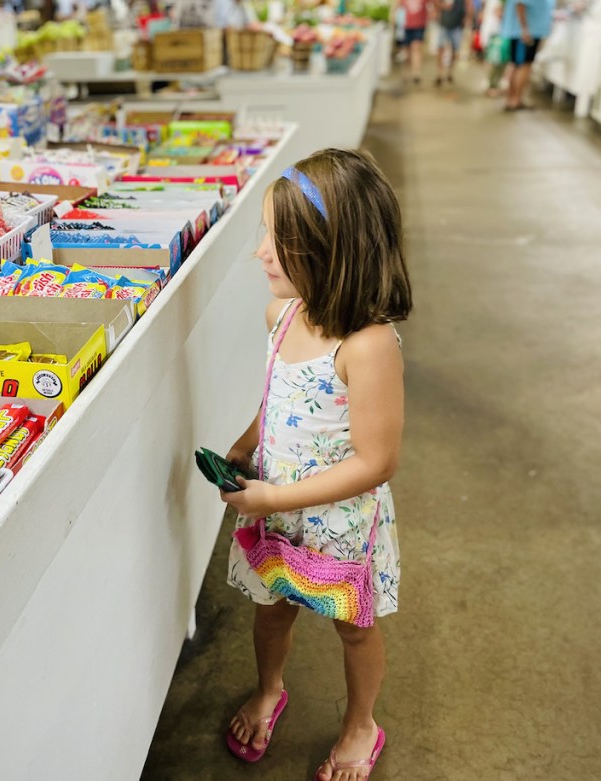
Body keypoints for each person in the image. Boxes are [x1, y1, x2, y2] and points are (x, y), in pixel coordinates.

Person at [220, 149, 412, 780]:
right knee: (272, 607)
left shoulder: (369, 344)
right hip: (278, 513)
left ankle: (362, 723)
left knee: (353, 630)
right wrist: (247, 444)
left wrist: (272, 499)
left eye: (278, 241)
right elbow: (277, 398)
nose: (260, 254)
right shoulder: (283, 315)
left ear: (333, 251)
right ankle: (271, 687)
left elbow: (377, 460)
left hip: (339, 524)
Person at [502, 0, 554, 110]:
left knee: (517, 64)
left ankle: (512, 98)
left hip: (525, 31)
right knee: (524, 65)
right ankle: (515, 100)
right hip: (526, 33)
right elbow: (520, 4)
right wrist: (524, 28)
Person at [435, 0, 473, 86]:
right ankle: (440, 74)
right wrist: (442, 6)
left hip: (457, 25)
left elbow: (469, 5)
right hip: (444, 23)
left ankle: (449, 73)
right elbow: (435, 2)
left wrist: (468, 18)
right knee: (440, 49)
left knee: (454, 51)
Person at [397, 0, 430, 83]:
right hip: (406, 26)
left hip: (419, 26)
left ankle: (416, 73)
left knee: (416, 48)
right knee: (407, 51)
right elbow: (398, 6)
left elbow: (431, 6)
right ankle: (405, 72)